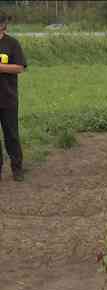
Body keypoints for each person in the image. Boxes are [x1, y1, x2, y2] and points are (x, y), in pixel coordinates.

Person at [0, 11, 27, 182]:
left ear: (2, 25)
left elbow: (19, 68)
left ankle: (17, 168)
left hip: (7, 97)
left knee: (11, 135)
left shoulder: (12, 43)